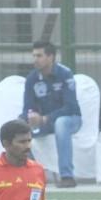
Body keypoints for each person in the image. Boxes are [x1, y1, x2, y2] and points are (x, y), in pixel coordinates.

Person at [21, 41, 82, 188]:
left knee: (60, 123)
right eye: (34, 55)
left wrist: (45, 118)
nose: (35, 59)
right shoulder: (32, 79)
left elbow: (70, 107)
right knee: (18, 127)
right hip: (44, 121)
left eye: (39, 56)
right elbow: (27, 107)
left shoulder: (65, 74)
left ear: (51, 57)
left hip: (70, 120)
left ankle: (67, 177)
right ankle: (29, 175)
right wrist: (30, 117)